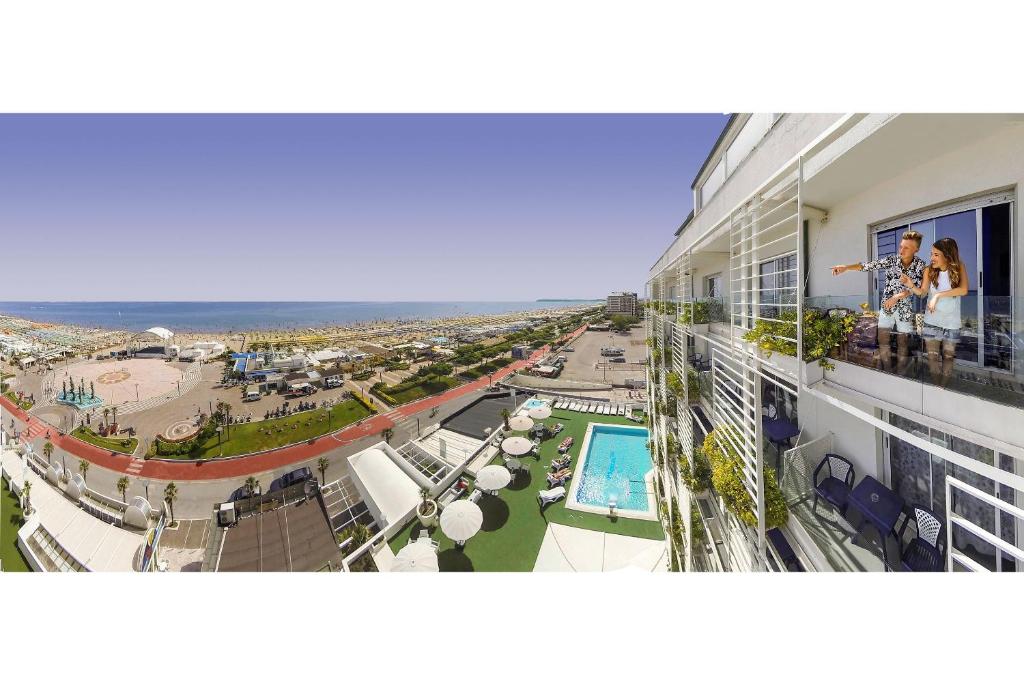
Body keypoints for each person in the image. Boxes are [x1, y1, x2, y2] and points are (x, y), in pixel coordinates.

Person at [832, 230, 926, 373]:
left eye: (906, 247)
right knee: (883, 341)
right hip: (886, 308)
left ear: (916, 249)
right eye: (901, 246)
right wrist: (846, 267)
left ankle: (901, 373)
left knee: (903, 343)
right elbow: (868, 265)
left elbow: (916, 288)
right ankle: (887, 371)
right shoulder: (891, 260)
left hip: (905, 311)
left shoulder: (920, 265)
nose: (901, 250)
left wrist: (897, 297)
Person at [900, 237, 968, 386]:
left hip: (952, 323)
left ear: (948, 254)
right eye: (931, 254)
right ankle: (937, 386)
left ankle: (943, 386)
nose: (932, 258)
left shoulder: (959, 267)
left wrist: (937, 295)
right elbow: (923, 293)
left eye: (936, 254)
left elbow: (963, 290)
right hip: (932, 322)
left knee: (949, 358)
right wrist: (911, 285)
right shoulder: (929, 270)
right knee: (932, 357)